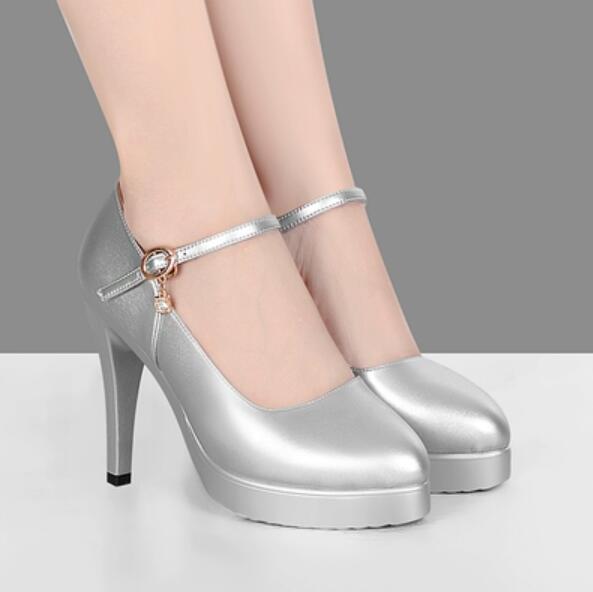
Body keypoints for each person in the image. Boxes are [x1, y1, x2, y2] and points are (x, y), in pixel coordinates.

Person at [59, 0, 510, 528]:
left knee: (297, 172)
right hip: (173, 251)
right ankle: (188, 210)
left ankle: (295, 202)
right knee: (185, 169)